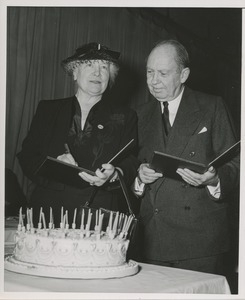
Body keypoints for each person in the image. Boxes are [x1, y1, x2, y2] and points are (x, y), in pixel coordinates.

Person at [134, 39, 240, 275]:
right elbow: (131, 165)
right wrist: (139, 177)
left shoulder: (211, 106)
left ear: (183, 75)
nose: (153, 81)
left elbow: (236, 162)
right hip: (152, 239)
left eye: (162, 73)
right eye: (150, 72)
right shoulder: (140, 114)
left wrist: (214, 180)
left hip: (200, 242)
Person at [17, 42, 139, 227]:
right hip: (48, 213)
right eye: (89, 64)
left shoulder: (126, 117)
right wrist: (53, 165)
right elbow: (27, 156)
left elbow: (131, 161)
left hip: (99, 216)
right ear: (74, 72)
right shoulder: (48, 109)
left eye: (104, 67)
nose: (97, 73)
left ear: (110, 77)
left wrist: (115, 174)